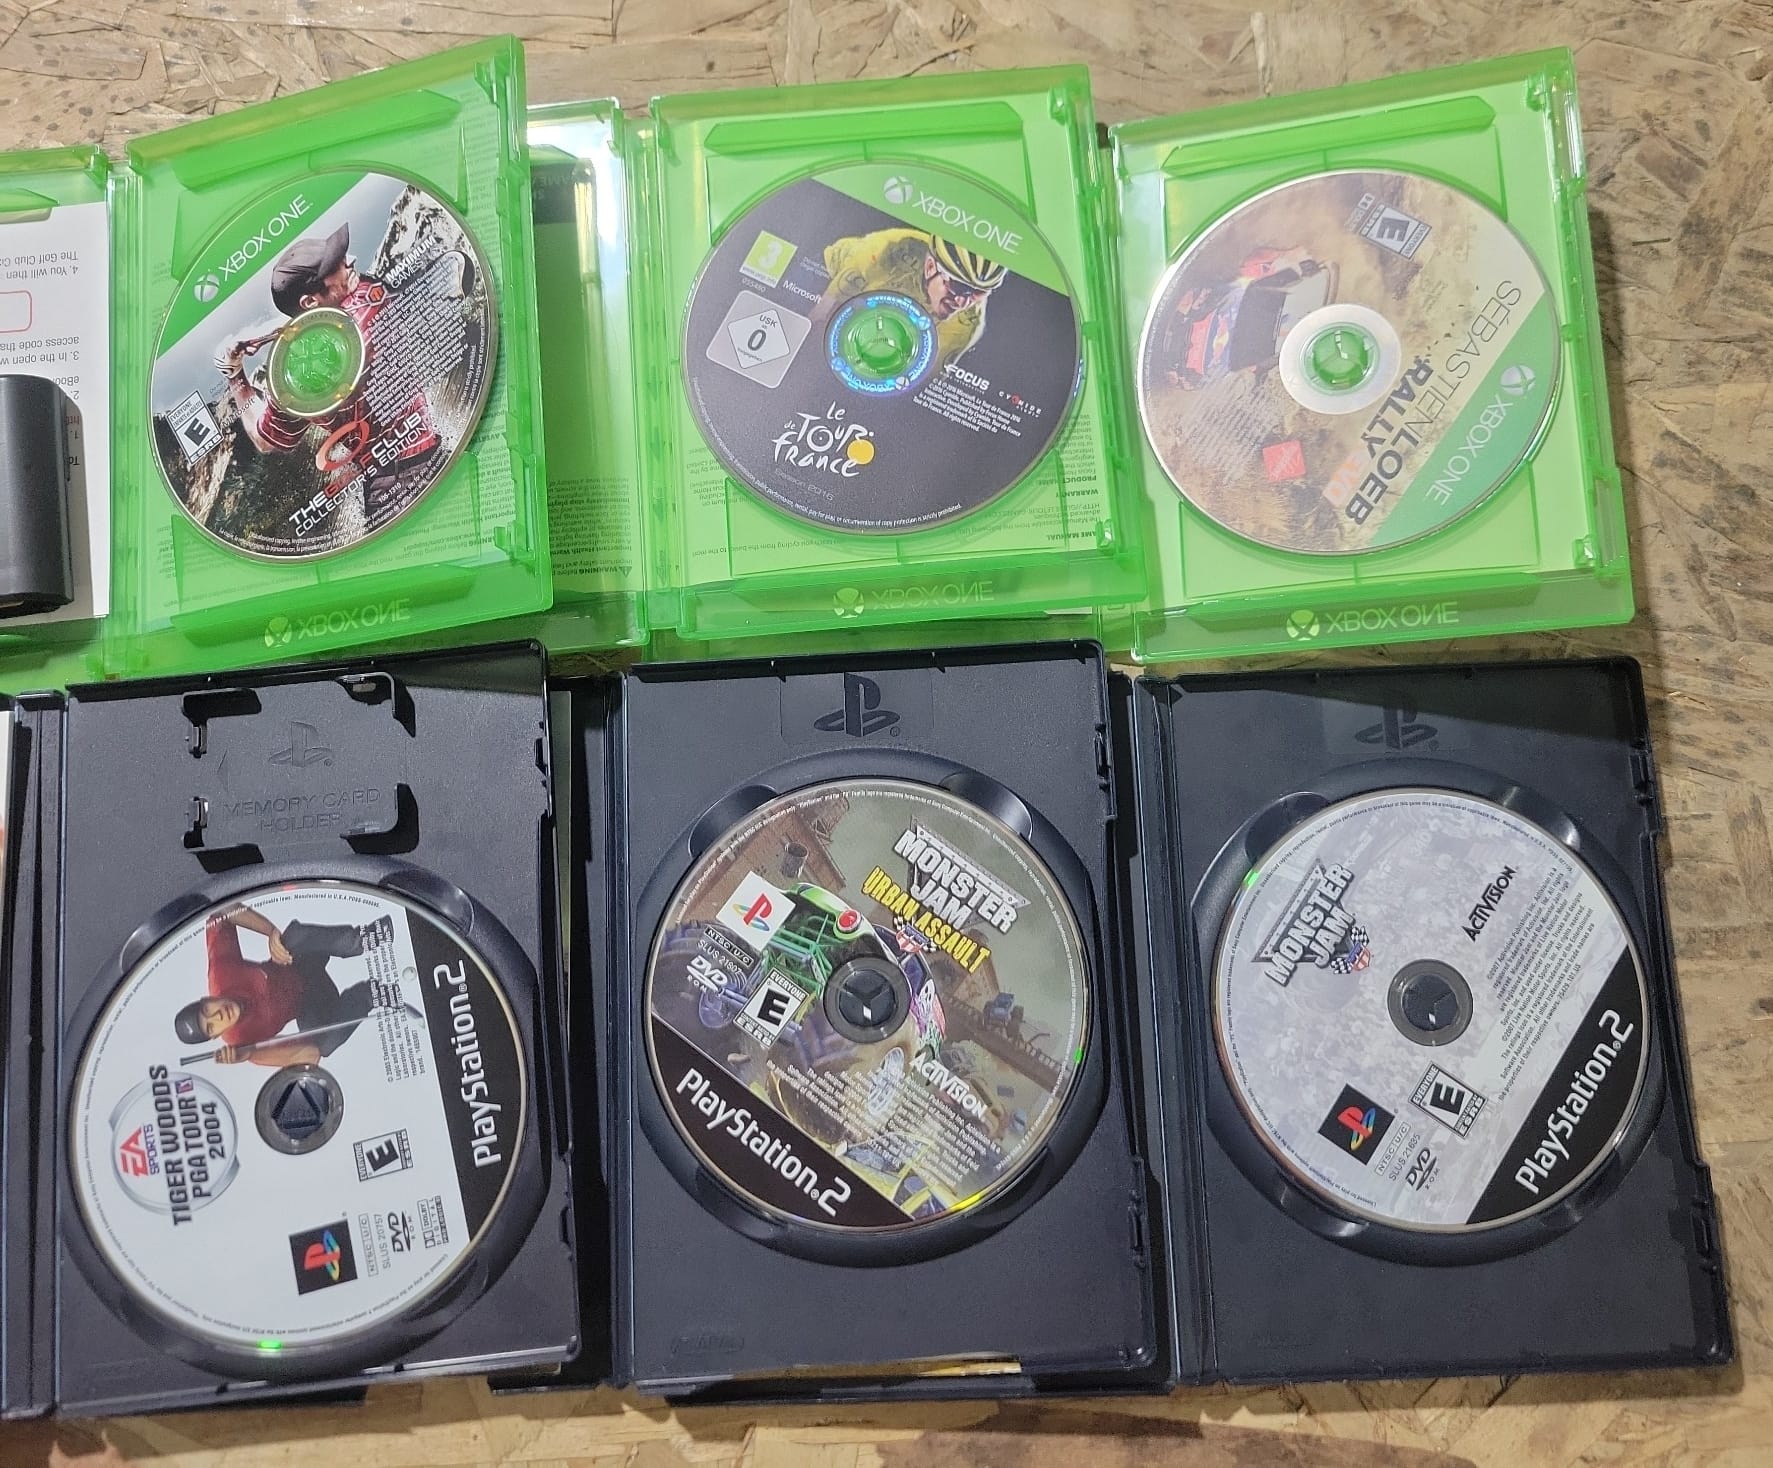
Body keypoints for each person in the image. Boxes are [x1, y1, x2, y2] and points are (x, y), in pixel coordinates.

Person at [213, 222, 462, 515]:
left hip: (387, 487)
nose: (351, 260)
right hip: (419, 463)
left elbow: (263, 439)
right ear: (309, 300)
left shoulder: (290, 384)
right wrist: (275, 329)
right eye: (336, 265)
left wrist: (235, 374)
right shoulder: (366, 301)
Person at [171, 904, 391, 1067]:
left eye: (207, 1010)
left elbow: (220, 912)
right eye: (211, 1027)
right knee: (324, 1044)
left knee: (290, 939)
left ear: (207, 999)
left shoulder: (220, 973)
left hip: (298, 959)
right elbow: (310, 1055)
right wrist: (251, 1053)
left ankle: (367, 938)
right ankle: (372, 995)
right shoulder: (241, 1042)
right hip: (312, 1002)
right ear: (215, 1037)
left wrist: (270, 932)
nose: (218, 1016)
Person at [816, 231, 1007, 373]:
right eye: (956, 287)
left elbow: (925, 380)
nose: (961, 301)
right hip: (841, 266)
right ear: (931, 267)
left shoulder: (966, 325)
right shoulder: (882, 253)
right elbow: (820, 316)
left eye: (978, 293)